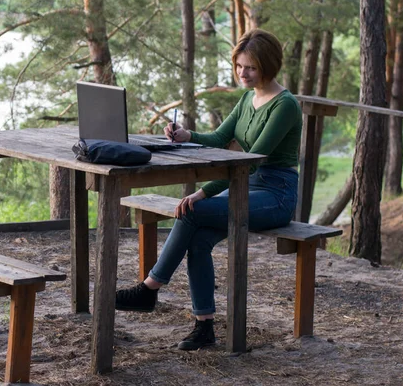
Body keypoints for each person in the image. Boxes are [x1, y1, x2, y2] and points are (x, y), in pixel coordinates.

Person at [115, 29, 303, 351]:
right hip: (245, 186)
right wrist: (187, 135)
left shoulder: (284, 106)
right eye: (240, 66)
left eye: (251, 67)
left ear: (269, 66)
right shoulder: (247, 99)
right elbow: (219, 138)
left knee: (192, 211)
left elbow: (250, 163)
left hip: (275, 193)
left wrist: (204, 193)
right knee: (199, 241)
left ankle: (150, 287)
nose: (243, 73)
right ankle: (204, 327)